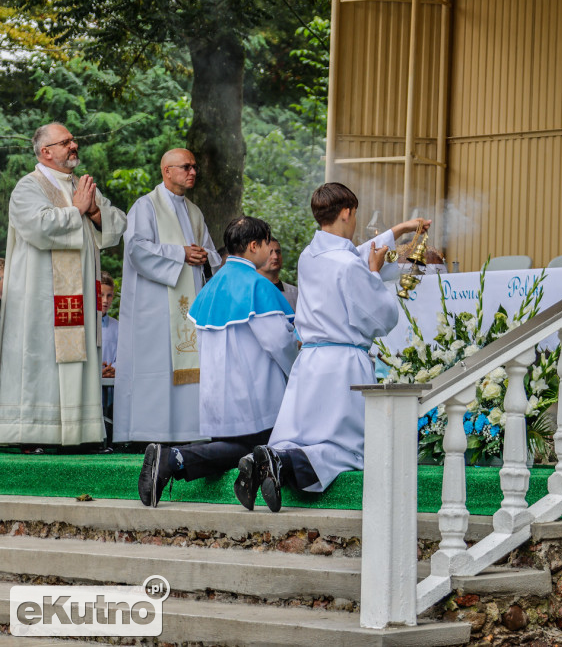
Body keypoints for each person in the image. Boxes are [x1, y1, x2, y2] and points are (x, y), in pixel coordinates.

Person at [236, 183, 429, 511]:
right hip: (343, 364)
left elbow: (348, 255)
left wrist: (399, 230)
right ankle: (281, 463)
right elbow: (381, 317)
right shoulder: (350, 265)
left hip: (310, 362)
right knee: (345, 447)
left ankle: (268, 458)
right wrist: (374, 273)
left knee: (300, 435)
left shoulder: (309, 256)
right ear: (347, 212)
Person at [138, 216, 297, 507]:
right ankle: (173, 458)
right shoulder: (258, 285)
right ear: (253, 246)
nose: (269, 251)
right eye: (266, 244)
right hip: (252, 396)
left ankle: (175, 458)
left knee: (237, 448)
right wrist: (298, 371)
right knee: (263, 446)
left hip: (217, 399)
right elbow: (280, 343)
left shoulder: (211, 287)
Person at [0, 123, 127, 448]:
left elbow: (117, 221)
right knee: (41, 358)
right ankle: (35, 432)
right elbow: (38, 227)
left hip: (79, 299)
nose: (74, 145)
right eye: (65, 141)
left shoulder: (81, 185)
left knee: (78, 358)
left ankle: (80, 433)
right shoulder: (28, 187)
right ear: (46, 152)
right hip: (40, 299)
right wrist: (77, 210)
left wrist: (94, 210)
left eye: (73, 140)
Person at [114, 148, 221, 443]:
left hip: (188, 310)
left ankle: (187, 432)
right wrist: (180, 253)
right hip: (157, 310)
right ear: (167, 171)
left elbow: (212, 253)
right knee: (156, 370)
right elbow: (136, 248)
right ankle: (148, 433)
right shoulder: (145, 206)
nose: (193, 172)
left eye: (194, 167)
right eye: (186, 167)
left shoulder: (195, 212)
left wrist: (204, 256)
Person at [99, 272, 118, 436]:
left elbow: (124, 354)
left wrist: (115, 368)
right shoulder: (84, 325)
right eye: (101, 295)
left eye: (109, 295)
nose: (105, 300)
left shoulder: (118, 327)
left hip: (112, 385)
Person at [257, 237, 298, 310]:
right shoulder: (249, 292)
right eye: (269, 253)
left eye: (278, 252)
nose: (275, 257)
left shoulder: (294, 293)